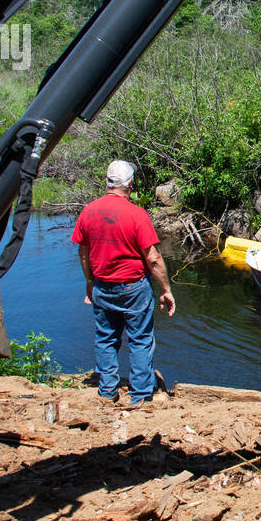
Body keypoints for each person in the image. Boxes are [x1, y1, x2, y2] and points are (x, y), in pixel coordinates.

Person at [71, 160, 176, 407]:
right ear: (129, 184)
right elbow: (153, 258)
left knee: (105, 338)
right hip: (133, 288)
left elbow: (83, 254)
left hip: (102, 286)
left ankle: (107, 390)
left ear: (107, 182)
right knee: (140, 340)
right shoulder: (137, 214)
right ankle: (140, 395)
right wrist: (166, 290)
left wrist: (89, 282)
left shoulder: (88, 211)